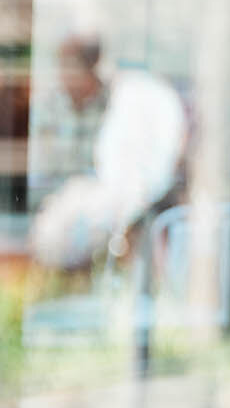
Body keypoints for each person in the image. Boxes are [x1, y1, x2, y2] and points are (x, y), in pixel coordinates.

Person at [28, 33, 189, 269]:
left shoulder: (120, 107)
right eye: (62, 69)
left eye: (72, 70)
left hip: (111, 210)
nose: (64, 78)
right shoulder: (50, 107)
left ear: (91, 69)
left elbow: (135, 177)